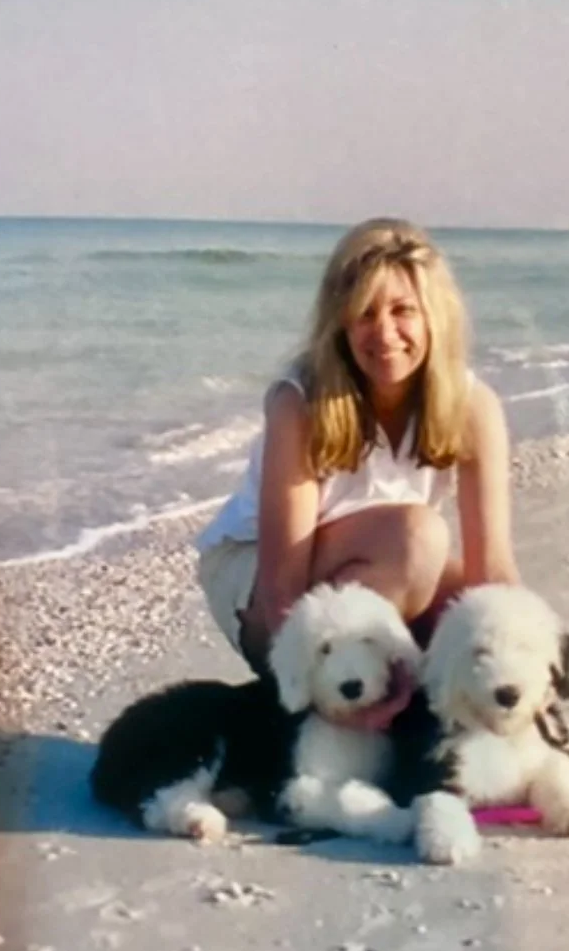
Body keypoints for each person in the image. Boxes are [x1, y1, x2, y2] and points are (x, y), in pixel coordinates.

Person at [195, 217, 520, 726]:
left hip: (375, 569)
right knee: (418, 538)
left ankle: (393, 694)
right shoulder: (300, 401)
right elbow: (283, 588)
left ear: (435, 316)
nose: (385, 333)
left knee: (465, 609)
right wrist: (322, 697)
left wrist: (511, 673)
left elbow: (493, 575)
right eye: (364, 313)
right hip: (259, 578)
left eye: (402, 311)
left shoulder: (473, 405)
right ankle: (341, 702)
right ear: (340, 323)